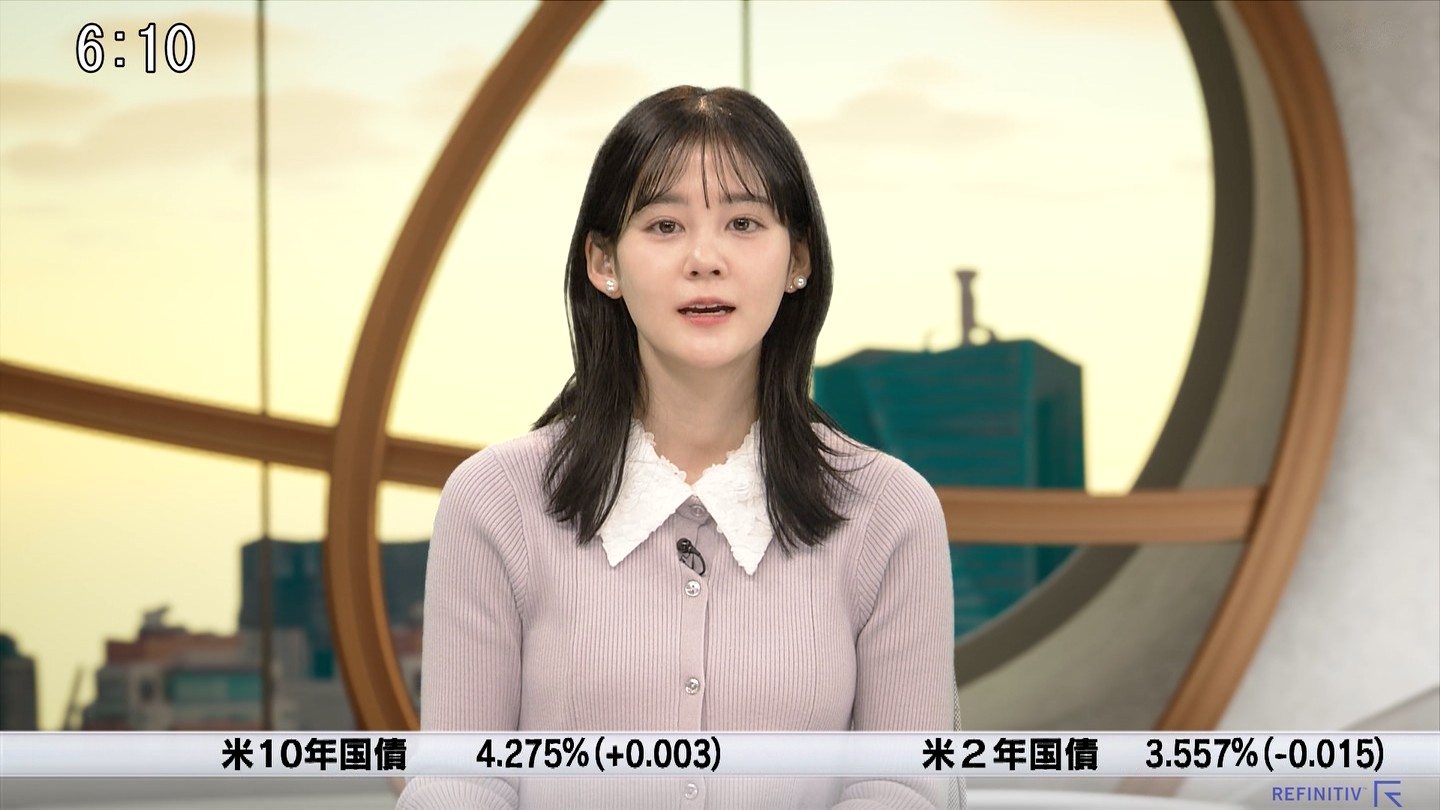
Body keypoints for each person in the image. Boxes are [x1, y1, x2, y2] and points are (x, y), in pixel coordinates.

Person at [396, 85, 960, 809]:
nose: (704, 258)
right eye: (664, 225)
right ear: (604, 262)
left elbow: (904, 785)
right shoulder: (493, 501)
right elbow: (460, 780)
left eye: (744, 223)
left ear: (798, 259)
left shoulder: (890, 511)